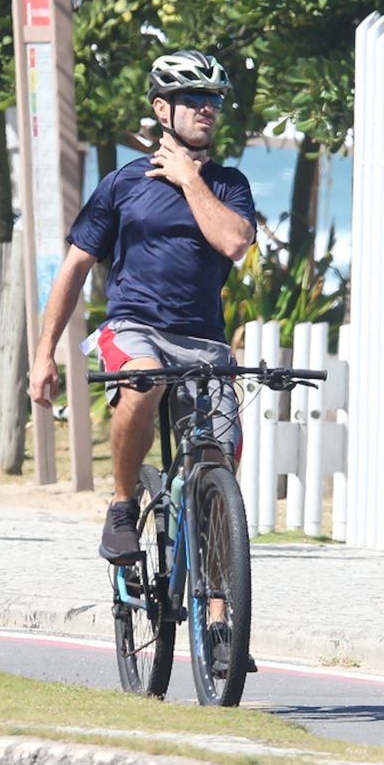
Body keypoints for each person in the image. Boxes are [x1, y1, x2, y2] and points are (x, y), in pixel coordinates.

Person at [29, 50, 256, 568]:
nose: (207, 110)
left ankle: (220, 627)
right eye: (193, 99)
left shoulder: (229, 186)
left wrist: (189, 179)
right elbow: (74, 268)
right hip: (134, 328)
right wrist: (44, 356)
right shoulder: (123, 184)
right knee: (146, 378)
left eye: (213, 101)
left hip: (204, 340)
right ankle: (122, 503)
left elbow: (234, 243)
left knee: (219, 463)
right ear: (161, 109)